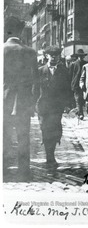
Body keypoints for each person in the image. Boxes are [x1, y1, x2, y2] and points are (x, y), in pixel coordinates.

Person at [3, 16, 39, 181]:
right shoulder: (30, 52)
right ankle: (24, 172)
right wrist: (32, 103)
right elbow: (36, 83)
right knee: (23, 137)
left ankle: (2, 170)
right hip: (23, 103)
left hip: (3, 101)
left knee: (3, 136)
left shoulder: (2, 50)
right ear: (20, 31)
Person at [36, 46, 72, 169]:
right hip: (43, 107)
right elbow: (34, 90)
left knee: (56, 131)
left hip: (57, 107)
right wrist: (34, 104)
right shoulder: (40, 70)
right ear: (47, 56)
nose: (54, 57)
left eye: (56, 55)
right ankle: (49, 156)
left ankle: (51, 154)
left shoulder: (64, 71)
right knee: (45, 130)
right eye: (51, 55)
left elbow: (68, 89)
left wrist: (68, 104)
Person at [69, 49, 87, 120]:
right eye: (80, 56)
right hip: (76, 84)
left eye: (82, 56)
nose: (81, 57)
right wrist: (71, 84)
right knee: (78, 99)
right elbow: (70, 75)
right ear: (78, 56)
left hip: (84, 83)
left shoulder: (86, 63)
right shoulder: (73, 64)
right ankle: (80, 114)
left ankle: (79, 111)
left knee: (83, 99)